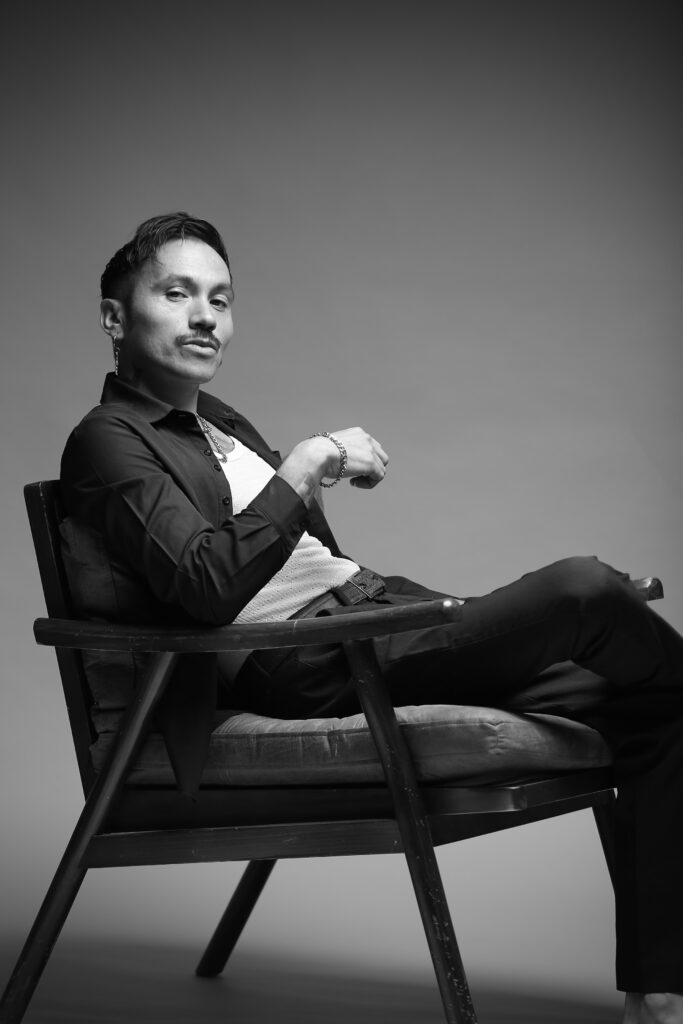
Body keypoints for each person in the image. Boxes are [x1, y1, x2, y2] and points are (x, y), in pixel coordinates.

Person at [60, 212, 683, 1023]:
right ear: (115, 317)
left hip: (377, 616)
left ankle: (658, 994)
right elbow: (206, 586)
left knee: (655, 706)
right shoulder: (107, 440)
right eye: (177, 294)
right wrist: (305, 463)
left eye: (219, 297)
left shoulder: (221, 425)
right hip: (308, 660)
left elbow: (313, 562)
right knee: (582, 589)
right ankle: (593, 606)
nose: (205, 316)